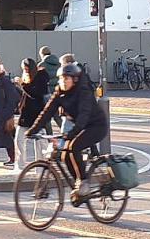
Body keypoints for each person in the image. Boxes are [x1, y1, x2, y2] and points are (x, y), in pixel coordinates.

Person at [26, 63, 108, 201]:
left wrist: (72, 133)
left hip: (97, 126)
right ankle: (78, 184)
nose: (63, 82)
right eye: (61, 79)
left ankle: (83, 183)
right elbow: (47, 112)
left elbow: (83, 115)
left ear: (74, 79)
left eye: (66, 79)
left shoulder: (83, 92)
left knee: (74, 147)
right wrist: (33, 129)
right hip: (82, 127)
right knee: (64, 155)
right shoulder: (59, 93)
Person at [16, 57, 50, 169]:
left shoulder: (40, 78)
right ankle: (20, 166)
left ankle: (41, 168)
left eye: (27, 69)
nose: (25, 71)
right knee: (19, 139)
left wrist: (22, 85)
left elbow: (35, 94)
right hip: (26, 114)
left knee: (40, 142)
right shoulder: (28, 77)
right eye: (24, 69)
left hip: (37, 114)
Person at [38, 46, 64, 130]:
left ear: (41, 54)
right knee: (57, 116)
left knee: (46, 116)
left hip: (46, 93)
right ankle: (64, 131)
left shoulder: (41, 65)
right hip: (57, 92)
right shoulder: (59, 64)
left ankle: (49, 135)